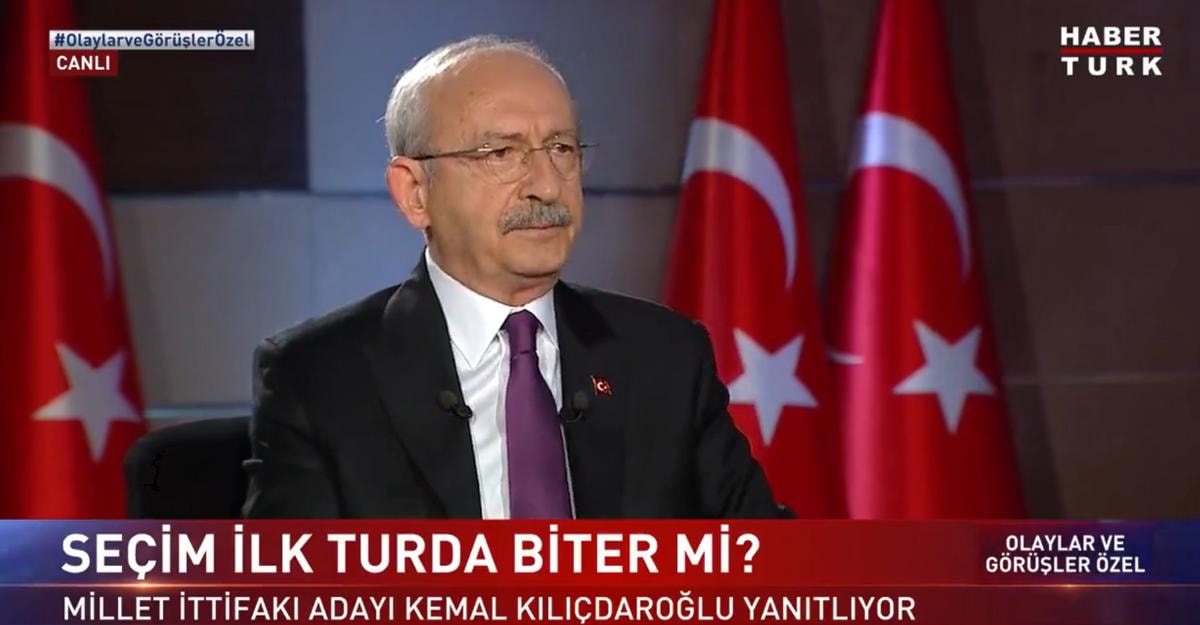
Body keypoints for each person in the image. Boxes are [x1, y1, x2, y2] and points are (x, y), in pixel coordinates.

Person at [242, 35, 788, 519]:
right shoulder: (320, 377)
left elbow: (771, 564)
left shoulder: (665, 357)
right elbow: (293, 585)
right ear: (415, 193)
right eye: (501, 153)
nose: (547, 187)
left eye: (561, 149)